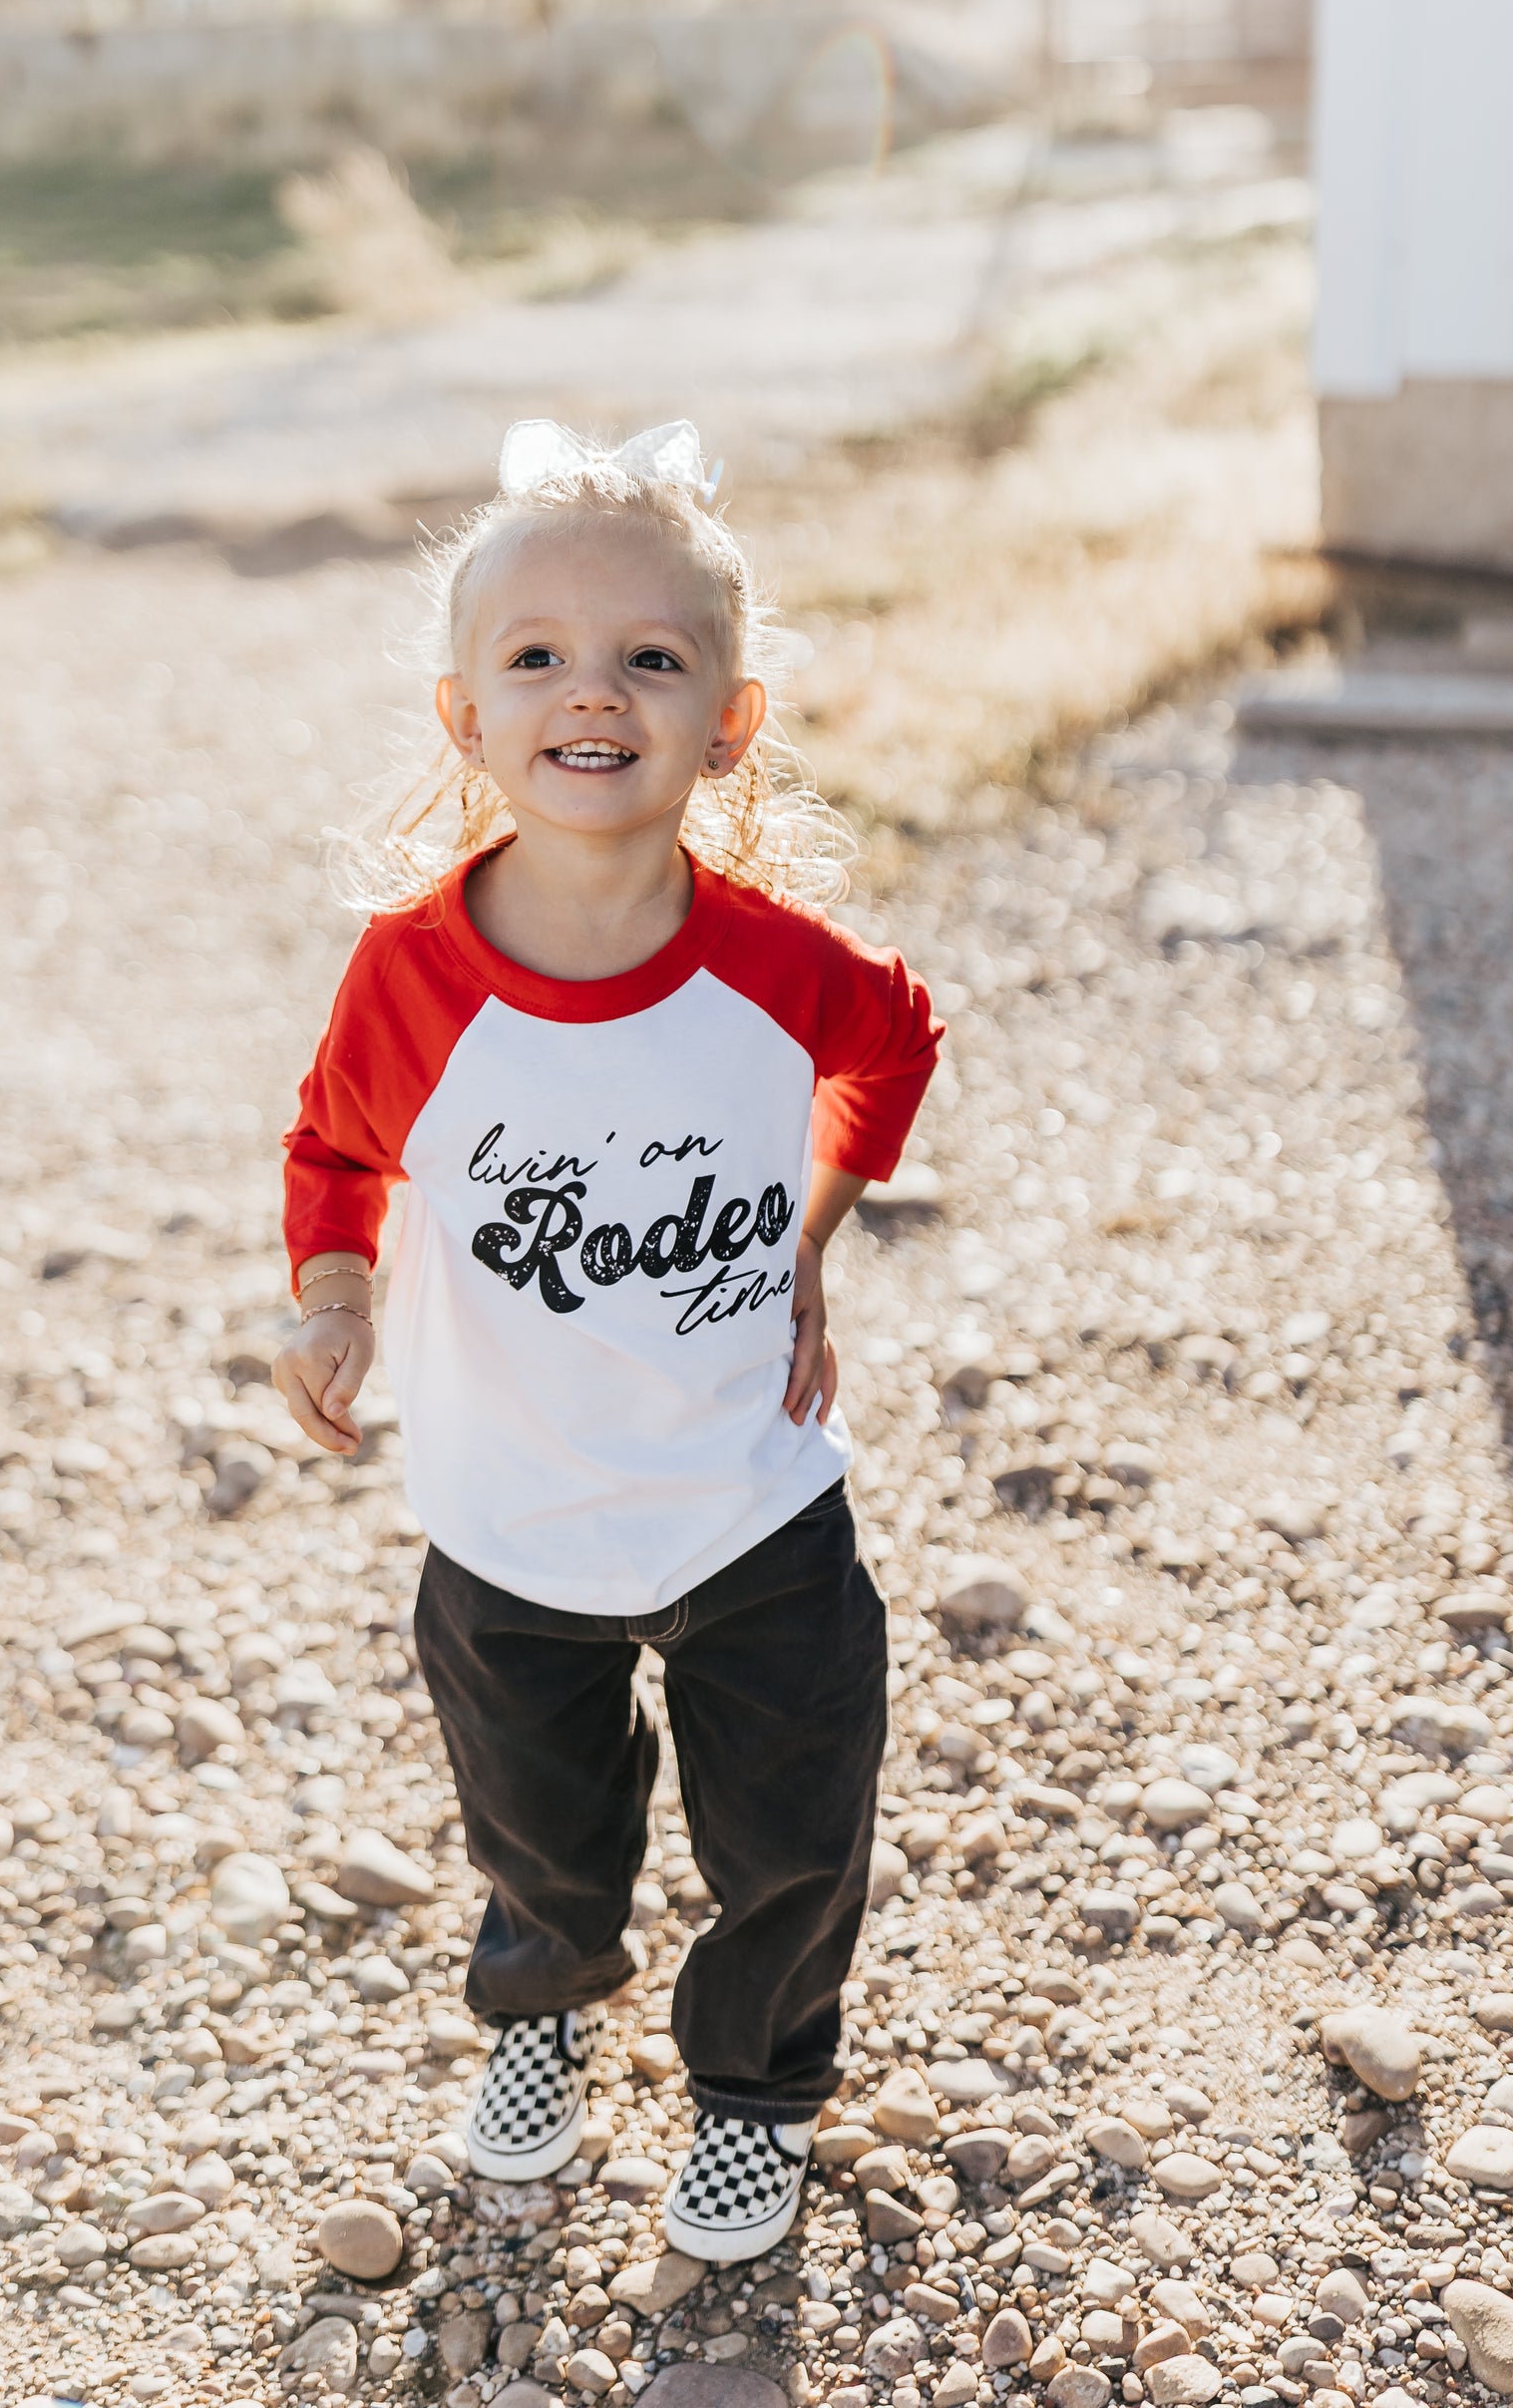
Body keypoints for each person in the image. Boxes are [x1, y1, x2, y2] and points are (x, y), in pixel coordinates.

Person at [274, 418, 942, 2263]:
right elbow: (333, 1146)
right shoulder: (411, 977)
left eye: (651, 656)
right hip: (510, 1522)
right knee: (541, 1839)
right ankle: (547, 2010)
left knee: (793, 1838)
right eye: (538, 657)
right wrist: (333, 1295)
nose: (595, 690)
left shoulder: (779, 964)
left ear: (727, 718)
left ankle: (751, 2094)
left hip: (751, 1505)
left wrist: (811, 1224)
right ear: (462, 714)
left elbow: (896, 1044)